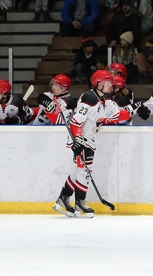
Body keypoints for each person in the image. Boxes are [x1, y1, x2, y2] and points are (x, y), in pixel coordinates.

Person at [53, 70, 123, 218]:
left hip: (90, 140)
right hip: (81, 140)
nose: (111, 85)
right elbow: (76, 121)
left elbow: (115, 115)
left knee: (79, 172)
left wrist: (133, 109)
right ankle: (79, 203)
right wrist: (77, 140)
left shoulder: (104, 99)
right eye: (108, 83)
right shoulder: (89, 97)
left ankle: (63, 199)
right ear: (98, 84)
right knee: (84, 172)